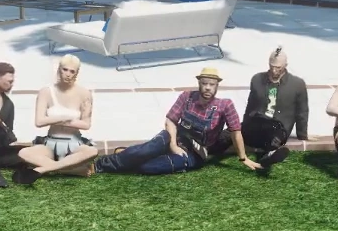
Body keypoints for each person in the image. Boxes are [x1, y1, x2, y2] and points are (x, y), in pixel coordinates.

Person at [94, 68, 264, 175]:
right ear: (199, 83)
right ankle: (99, 165)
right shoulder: (186, 96)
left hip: (195, 153)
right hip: (173, 139)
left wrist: (243, 158)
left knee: (148, 168)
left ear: (217, 86)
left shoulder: (225, 105)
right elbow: (170, 121)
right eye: (204, 83)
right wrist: (174, 145)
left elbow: (235, 132)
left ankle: (127, 155)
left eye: (212, 84)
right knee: (151, 147)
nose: (207, 87)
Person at [14, 55, 99, 185]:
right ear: (59, 69)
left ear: (77, 73)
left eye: (72, 71)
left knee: (92, 151)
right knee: (23, 153)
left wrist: (57, 120)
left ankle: (43, 169)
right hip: (50, 143)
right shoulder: (46, 92)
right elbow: (39, 122)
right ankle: (70, 170)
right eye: (65, 69)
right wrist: (64, 118)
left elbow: (86, 125)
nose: (68, 74)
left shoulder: (84, 93)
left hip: (74, 144)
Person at [241, 48, 308, 168]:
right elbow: (250, 105)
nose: (274, 70)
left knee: (274, 136)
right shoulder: (257, 79)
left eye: (278, 67)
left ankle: (270, 155)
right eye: (271, 66)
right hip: (257, 124)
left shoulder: (297, 84)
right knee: (231, 132)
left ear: (285, 65)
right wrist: (244, 124)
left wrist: (302, 134)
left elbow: (302, 111)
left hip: (278, 128)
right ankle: (207, 149)